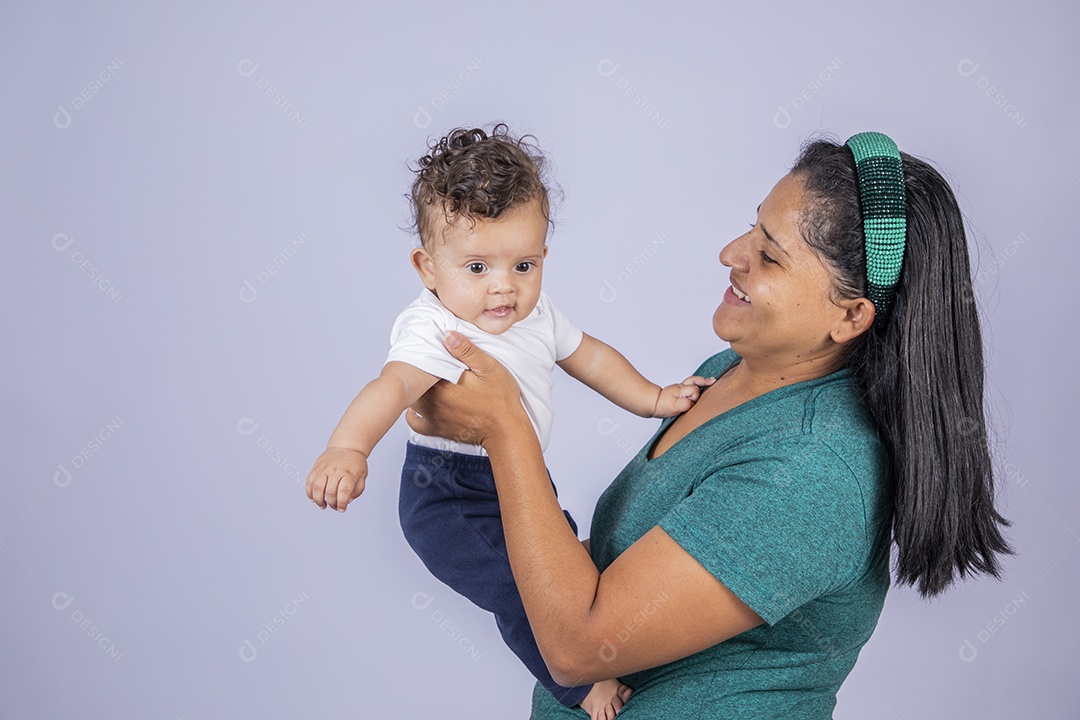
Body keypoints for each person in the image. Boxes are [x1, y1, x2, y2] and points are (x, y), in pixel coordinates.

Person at [405, 132, 1013, 718]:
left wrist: (504, 432)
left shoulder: (810, 470)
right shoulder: (730, 372)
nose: (731, 253)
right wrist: (459, 529)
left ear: (850, 315)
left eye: (769, 254)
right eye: (753, 226)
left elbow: (578, 649)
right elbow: (624, 569)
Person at [305, 124, 711, 719]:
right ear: (428, 267)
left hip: (524, 478)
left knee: (569, 569)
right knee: (527, 592)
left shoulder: (538, 314)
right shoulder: (434, 328)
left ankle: (608, 648)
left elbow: (591, 357)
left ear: (543, 255)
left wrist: (653, 398)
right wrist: (349, 447)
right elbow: (392, 388)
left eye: (523, 264)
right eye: (476, 267)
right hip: (448, 494)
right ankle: (578, 684)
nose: (504, 287)